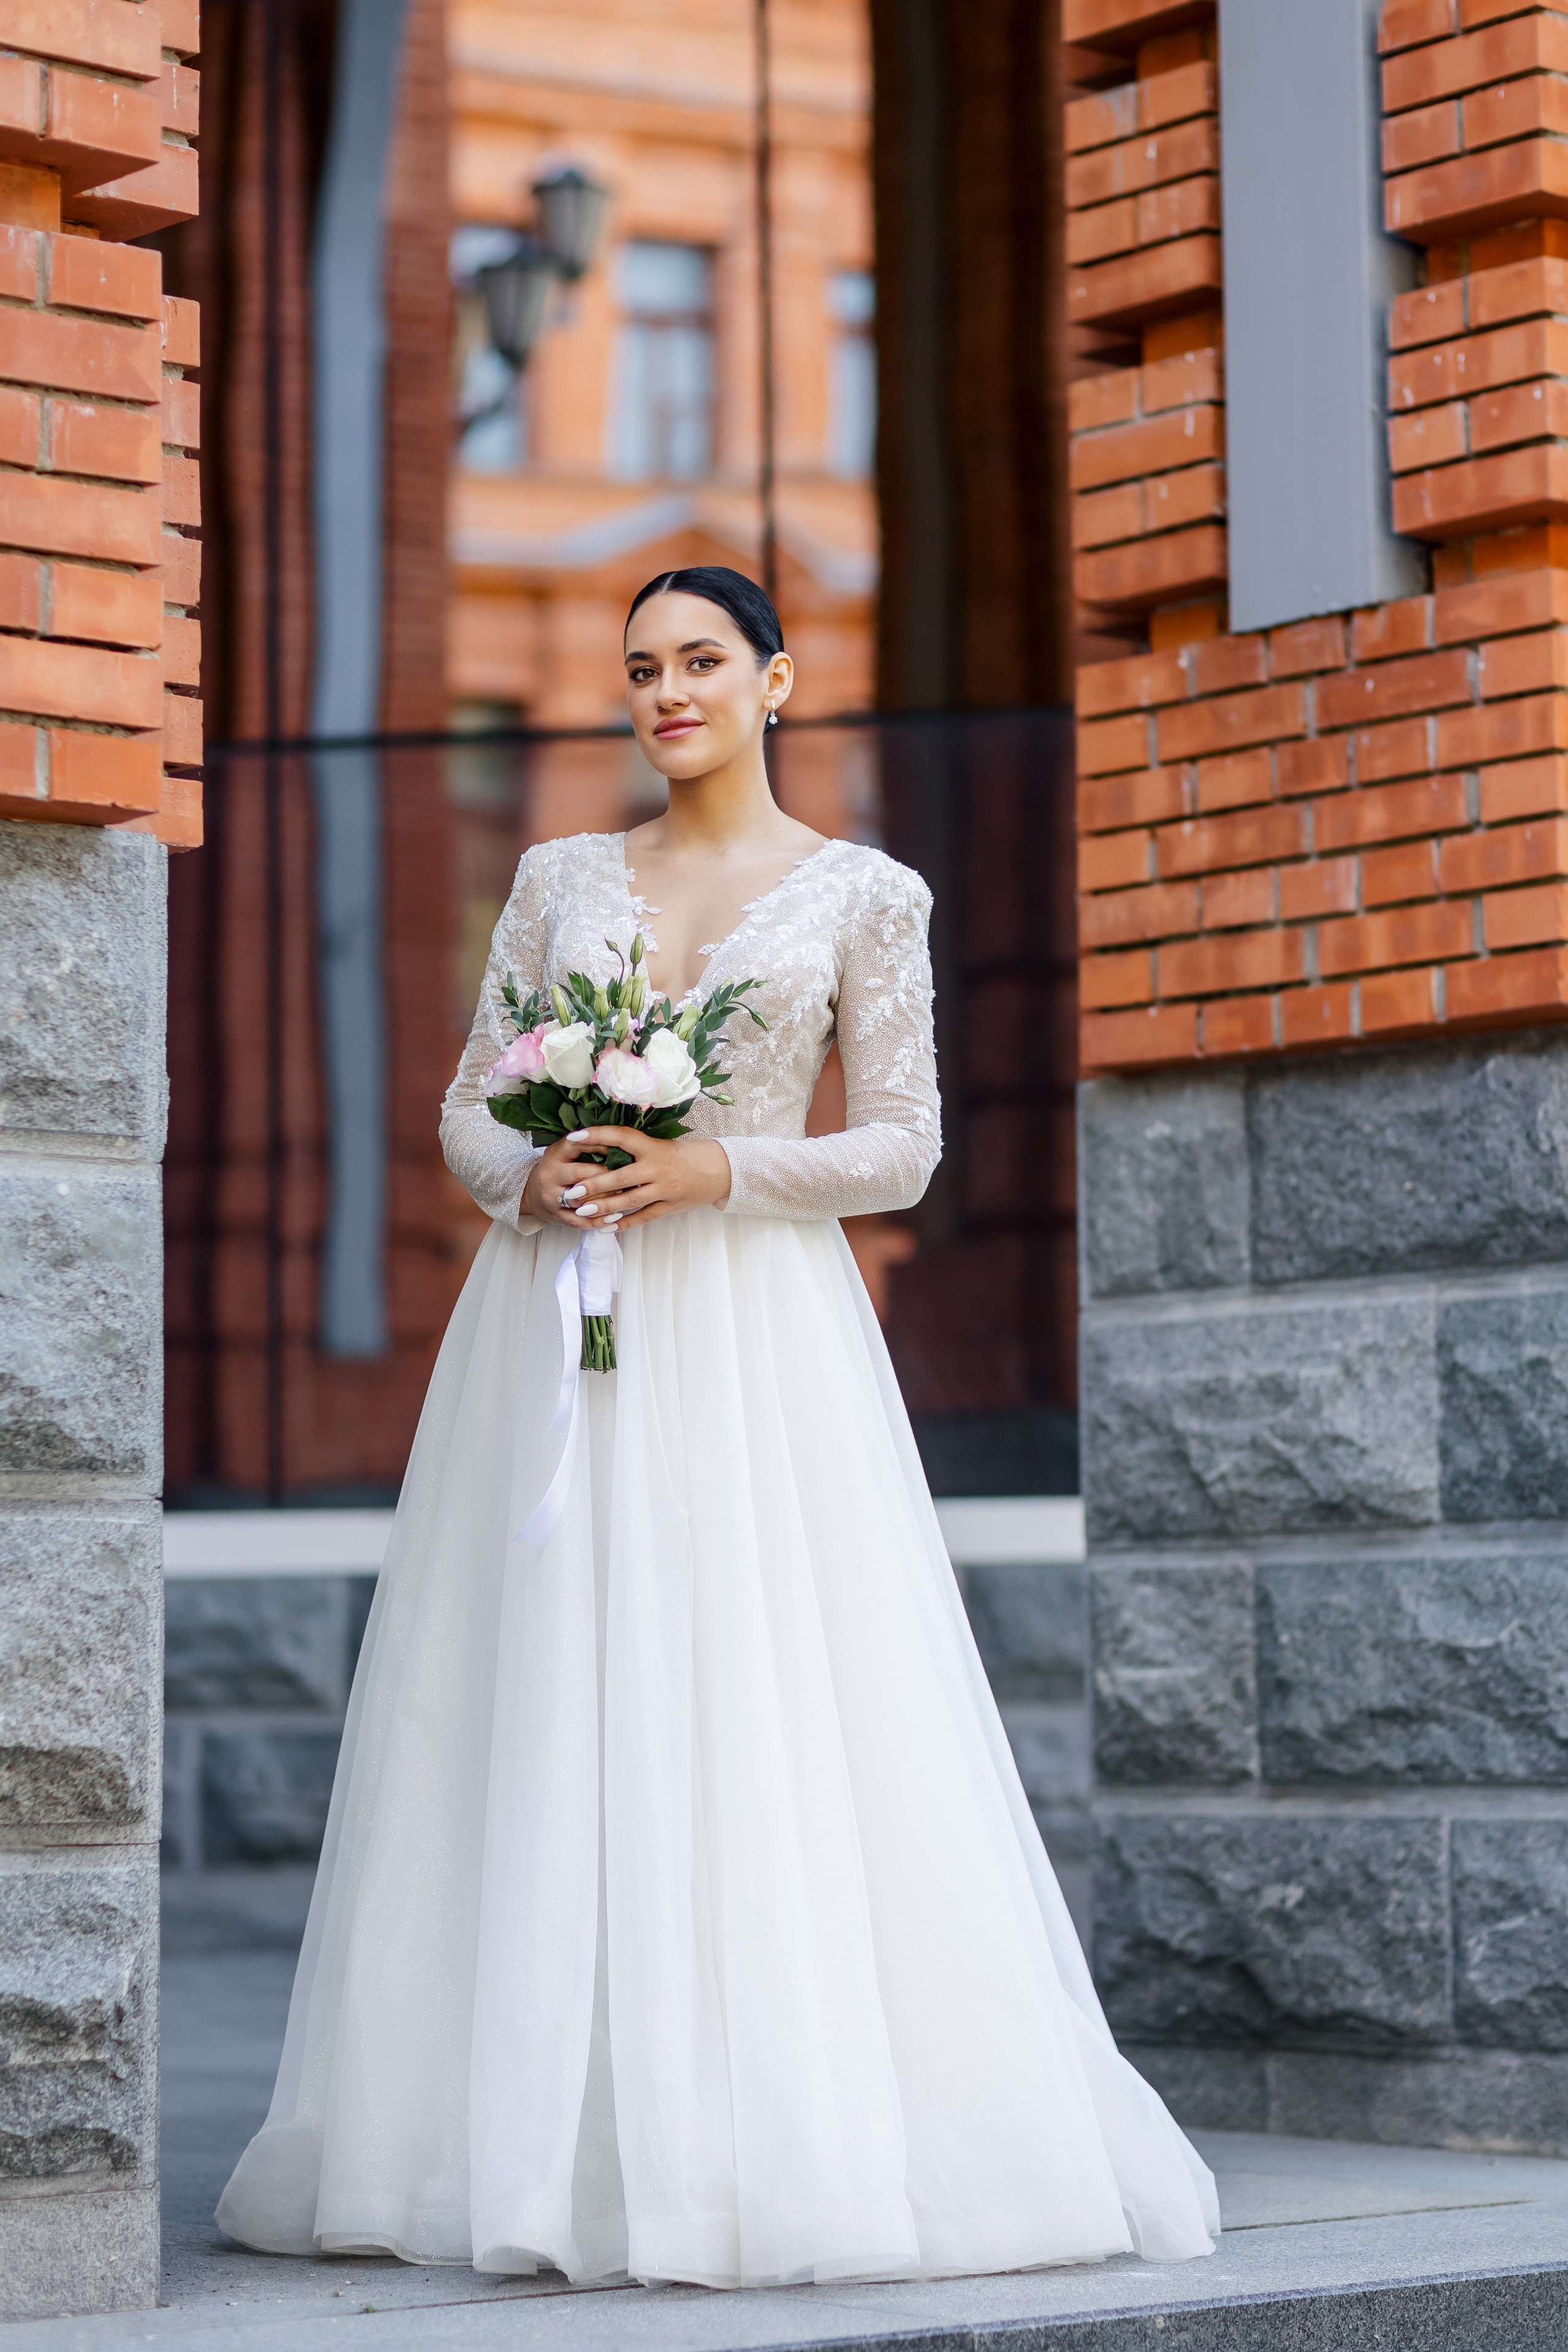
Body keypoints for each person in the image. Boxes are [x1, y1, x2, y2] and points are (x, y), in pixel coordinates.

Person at [216, 566, 1218, 2287]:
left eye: (701, 662)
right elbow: (465, 1096)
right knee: (536, 1688)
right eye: (641, 669)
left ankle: (761, 2132)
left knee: (747, 1688)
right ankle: (522, 2138)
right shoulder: (554, 879)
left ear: (778, 681)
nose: (666, 691)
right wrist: (527, 1176)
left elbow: (903, 1146)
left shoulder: (863, 897)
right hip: (550, 1326)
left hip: (757, 1340)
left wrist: (716, 1167)